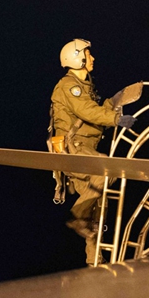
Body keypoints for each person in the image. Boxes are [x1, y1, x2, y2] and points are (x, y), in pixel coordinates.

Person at [49, 39, 135, 263]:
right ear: (78, 57)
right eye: (89, 54)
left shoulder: (85, 87)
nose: (93, 58)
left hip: (83, 147)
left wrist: (114, 103)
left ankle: (93, 258)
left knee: (98, 203)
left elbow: (93, 112)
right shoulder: (70, 85)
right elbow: (86, 111)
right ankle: (76, 216)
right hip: (74, 147)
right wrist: (117, 118)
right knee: (109, 170)